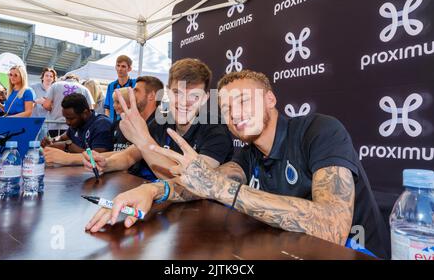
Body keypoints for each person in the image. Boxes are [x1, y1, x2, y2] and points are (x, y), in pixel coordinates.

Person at [85, 70, 390, 260]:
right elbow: (207, 181)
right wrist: (155, 191)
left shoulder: (319, 130)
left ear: (270, 99)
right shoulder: (248, 153)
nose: (235, 114)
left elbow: (332, 227)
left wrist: (221, 188)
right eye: (227, 108)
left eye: (244, 101)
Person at [82, 58, 233, 182]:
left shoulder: (215, 129)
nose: (183, 102)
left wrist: (143, 141)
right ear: (167, 93)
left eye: (194, 96)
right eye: (177, 93)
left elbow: (194, 181)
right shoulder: (163, 120)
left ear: (204, 99)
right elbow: (130, 155)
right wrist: (105, 164)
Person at [44, 77, 163, 166]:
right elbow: (125, 155)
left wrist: (67, 157)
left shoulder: (160, 125)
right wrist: (103, 165)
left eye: (136, 90)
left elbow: (126, 156)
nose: (131, 93)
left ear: (152, 95)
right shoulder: (123, 124)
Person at [41, 93, 112, 157]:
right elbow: (63, 137)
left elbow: (98, 157)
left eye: (71, 118)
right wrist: (52, 141)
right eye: (65, 118)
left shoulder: (102, 125)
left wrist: (68, 146)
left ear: (85, 113)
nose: (67, 122)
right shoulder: (77, 124)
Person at [42, 74, 94, 138]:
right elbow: (90, 109)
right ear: (77, 80)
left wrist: (54, 109)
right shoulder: (84, 89)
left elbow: (46, 105)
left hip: (55, 125)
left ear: (65, 78)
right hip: (76, 127)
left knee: (54, 145)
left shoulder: (55, 85)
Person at [104, 55, 136, 121]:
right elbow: (107, 108)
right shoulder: (111, 86)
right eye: (118, 66)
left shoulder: (135, 84)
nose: (120, 69)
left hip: (130, 123)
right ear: (115, 67)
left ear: (129, 69)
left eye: (123, 66)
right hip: (113, 124)